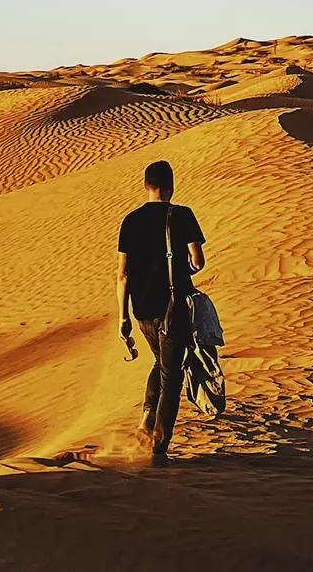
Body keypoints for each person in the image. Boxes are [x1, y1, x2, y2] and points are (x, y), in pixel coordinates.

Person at [116, 160, 206, 467]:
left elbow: (123, 275)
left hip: (141, 310)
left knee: (162, 362)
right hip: (173, 306)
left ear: (146, 185)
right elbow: (197, 261)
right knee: (172, 375)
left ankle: (145, 417)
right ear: (171, 186)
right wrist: (185, 262)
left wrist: (123, 318)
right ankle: (158, 447)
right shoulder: (182, 215)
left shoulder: (129, 221)